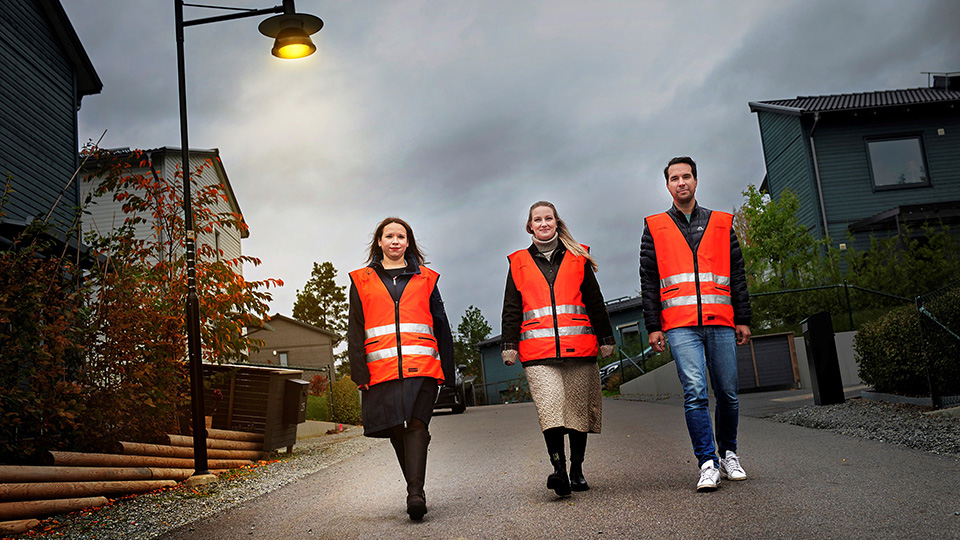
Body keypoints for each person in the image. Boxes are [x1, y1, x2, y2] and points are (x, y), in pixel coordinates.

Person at [638, 156, 752, 492]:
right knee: (695, 393)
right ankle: (707, 462)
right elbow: (648, 279)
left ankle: (729, 453)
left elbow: (737, 274)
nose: (681, 183)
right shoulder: (654, 226)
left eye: (686, 176)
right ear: (668, 185)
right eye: (675, 178)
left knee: (728, 393)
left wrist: (743, 318)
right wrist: (653, 325)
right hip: (680, 325)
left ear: (696, 181)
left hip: (721, 321)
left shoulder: (720, 222)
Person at [501, 201, 616, 497]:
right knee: (550, 409)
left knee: (577, 412)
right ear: (530, 226)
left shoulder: (579, 257)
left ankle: (577, 469)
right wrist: (509, 345)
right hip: (538, 353)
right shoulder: (518, 262)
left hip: (579, 348)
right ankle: (559, 470)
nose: (543, 223)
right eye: (537, 219)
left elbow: (595, 302)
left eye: (548, 218)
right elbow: (512, 309)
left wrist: (606, 338)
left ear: (556, 221)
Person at [348, 217, 455, 520]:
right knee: (397, 427)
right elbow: (354, 329)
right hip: (381, 371)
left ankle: (415, 494)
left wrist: (449, 370)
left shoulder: (427, 278)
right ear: (379, 242)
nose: (395, 241)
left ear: (408, 243)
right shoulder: (361, 280)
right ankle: (415, 487)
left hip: (423, 366)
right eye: (389, 236)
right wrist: (359, 372)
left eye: (401, 236)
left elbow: (442, 326)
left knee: (418, 425)